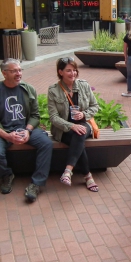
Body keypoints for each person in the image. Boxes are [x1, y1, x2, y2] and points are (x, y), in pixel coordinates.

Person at [0, 58, 53, 201]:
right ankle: (6, 175)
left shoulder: (28, 89)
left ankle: (36, 183)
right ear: (4, 73)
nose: (18, 73)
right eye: (14, 71)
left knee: (46, 143)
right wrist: (8, 136)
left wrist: (28, 130)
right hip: (3, 131)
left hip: (24, 129)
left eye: (20, 70)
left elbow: (35, 115)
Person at [48, 57, 100, 192]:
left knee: (80, 132)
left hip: (85, 123)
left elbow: (95, 106)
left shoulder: (83, 85)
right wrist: (71, 126)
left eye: (74, 70)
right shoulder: (53, 90)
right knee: (77, 135)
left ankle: (68, 171)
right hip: (64, 129)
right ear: (60, 72)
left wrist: (83, 114)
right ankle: (87, 176)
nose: (73, 73)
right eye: (68, 71)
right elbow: (53, 117)